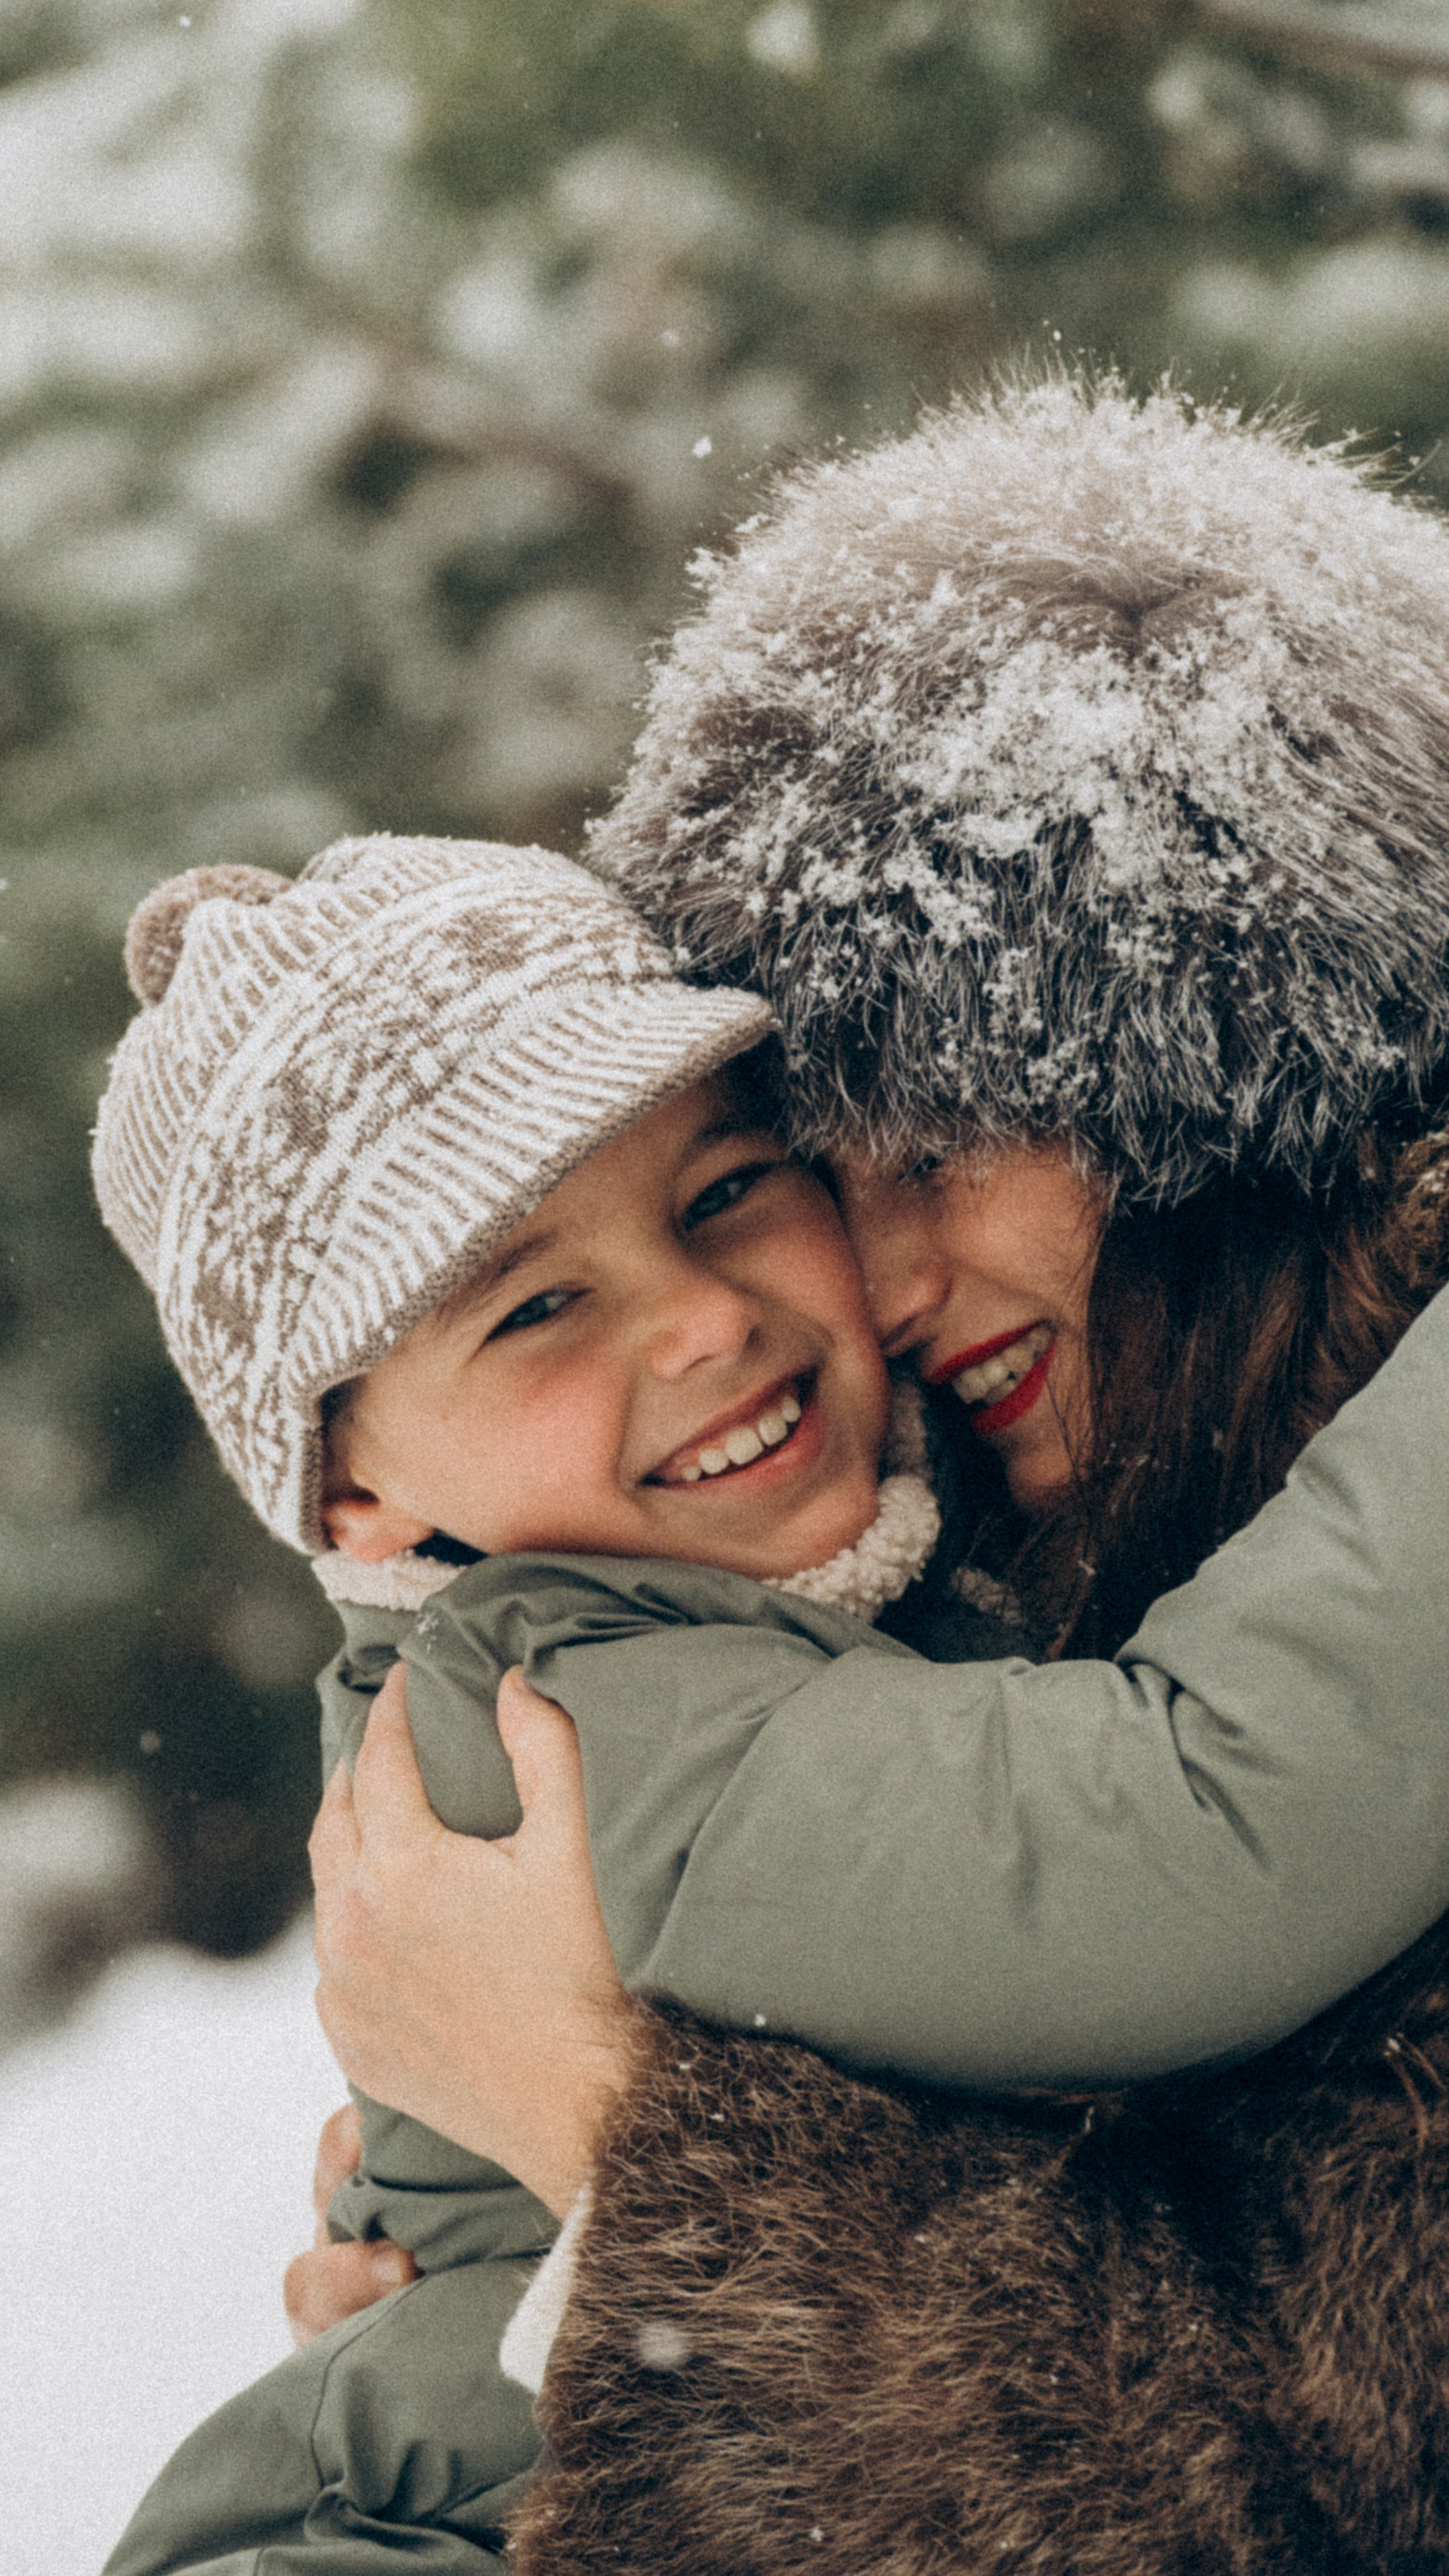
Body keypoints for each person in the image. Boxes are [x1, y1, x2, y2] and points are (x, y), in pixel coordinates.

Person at [299, 380, 1449, 2573]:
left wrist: (627, 2173)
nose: (878, 1283)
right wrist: (479, 2326)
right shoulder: (1052, 1558)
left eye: (929, 1148)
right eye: (822, 1169)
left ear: (1208, 1050)